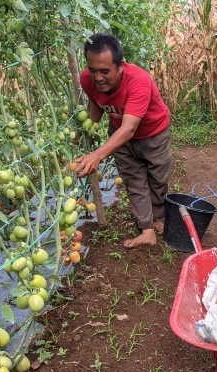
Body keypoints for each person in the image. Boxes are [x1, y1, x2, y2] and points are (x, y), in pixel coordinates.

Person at [74, 33, 172, 248]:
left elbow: (130, 128)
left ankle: (156, 216)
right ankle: (147, 229)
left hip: (153, 132)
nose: (98, 77)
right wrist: (84, 130)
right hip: (120, 133)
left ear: (120, 66)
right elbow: (97, 105)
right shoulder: (86, 79)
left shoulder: (138, 81)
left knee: (157, 179)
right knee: (133, 179)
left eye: (105, 71)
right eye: (93, 70)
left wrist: (97, 155)